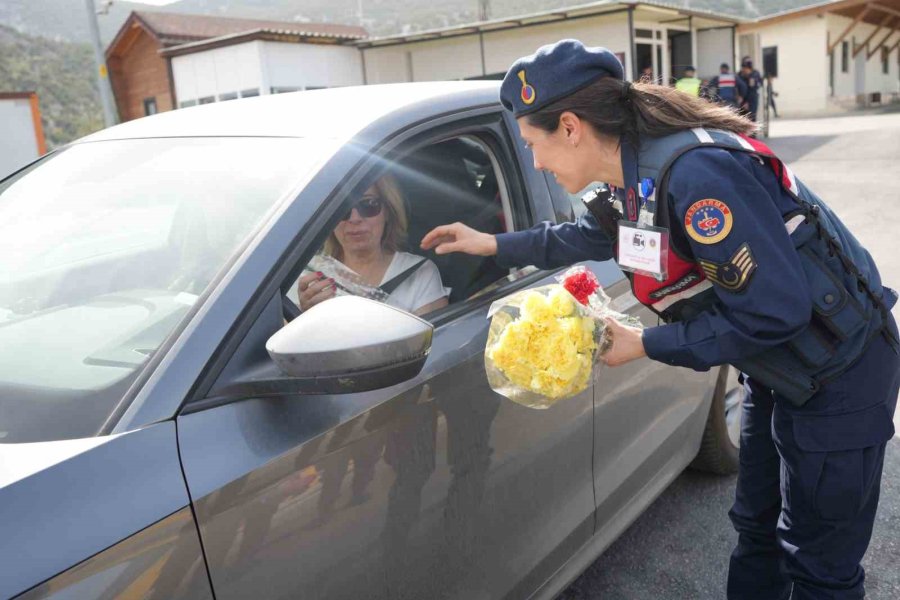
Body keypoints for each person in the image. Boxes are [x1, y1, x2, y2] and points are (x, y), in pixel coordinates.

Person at [420, 39, 899, 600]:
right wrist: (492, 244)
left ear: (570, 127)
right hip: (781, 370)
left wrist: (648, 344)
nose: (537, 162)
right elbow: (590, 236)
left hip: (841, 377)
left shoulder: (698, 177)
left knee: (819, 567)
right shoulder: (636, 177)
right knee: (757, 530)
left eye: (533, 144)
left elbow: (774, 311)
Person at [296, 173, 449, 316]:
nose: (355, 218)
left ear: (388, 211)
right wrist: (302, 315)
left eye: (368, 204)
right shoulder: (308, 275)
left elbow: (434, 341)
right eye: (341, 209)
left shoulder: (419, 273)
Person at [739, 57, 764, 122]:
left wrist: (747, 102)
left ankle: (752, 132)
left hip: (752, 99)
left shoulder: (755, 74)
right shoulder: (740, 74)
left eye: (745, 68)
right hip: (742, 100)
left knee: (752, 118)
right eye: (743, 67)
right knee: (742, 119)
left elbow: (757, 85)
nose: (744, 69)